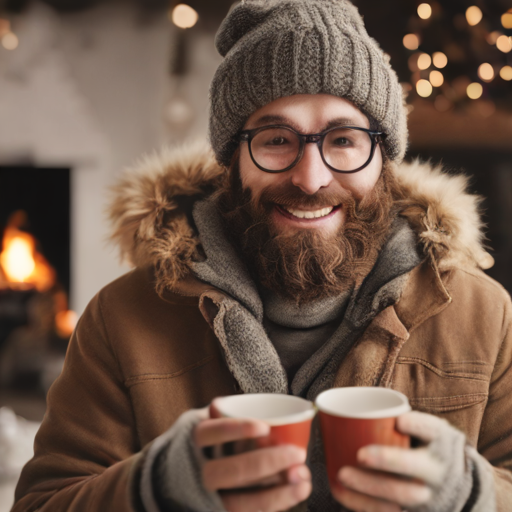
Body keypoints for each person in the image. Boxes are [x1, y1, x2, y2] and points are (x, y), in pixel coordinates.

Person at [12, 1, 512, 511]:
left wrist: (472, 493)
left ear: (384, 156)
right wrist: (156, 487)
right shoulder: (121, 319)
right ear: (232, 161)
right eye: (276, 140)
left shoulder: (485, 317)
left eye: (344, 140)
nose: (310, 178)